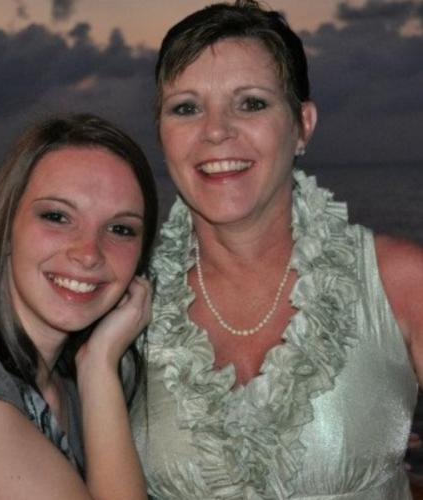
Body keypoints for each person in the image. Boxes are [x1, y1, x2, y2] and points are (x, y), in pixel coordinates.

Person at [131, 1, 423, 498]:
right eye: (186, 108)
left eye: (251, 103)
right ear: (161, 134)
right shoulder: (126, 304)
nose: (216, 130)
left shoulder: (399, 281)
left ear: (303, 125)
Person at [0, 113, 158, 500]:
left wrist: (95, 365)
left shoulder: (73, 396)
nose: (89, 253)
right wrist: (99, 368)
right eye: (57, 217)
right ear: (6, 229)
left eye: (121, 229)